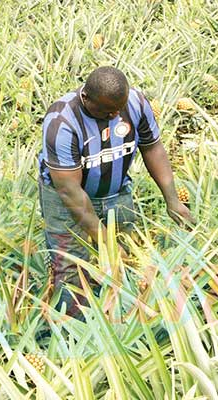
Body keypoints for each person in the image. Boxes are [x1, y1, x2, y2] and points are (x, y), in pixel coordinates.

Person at [37, 66, 195, 321]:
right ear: (86, 97)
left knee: (127, 254)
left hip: (115, 191)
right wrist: (104, 241)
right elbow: (69, 192)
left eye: (117, 110)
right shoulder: (62, 122)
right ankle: (71, 331)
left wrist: (172, 200)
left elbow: (152, 147)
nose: (113, 116)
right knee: (69, 266)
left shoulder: (135, 103)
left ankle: (123, 319)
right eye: (106, 111)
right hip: (66, 200)